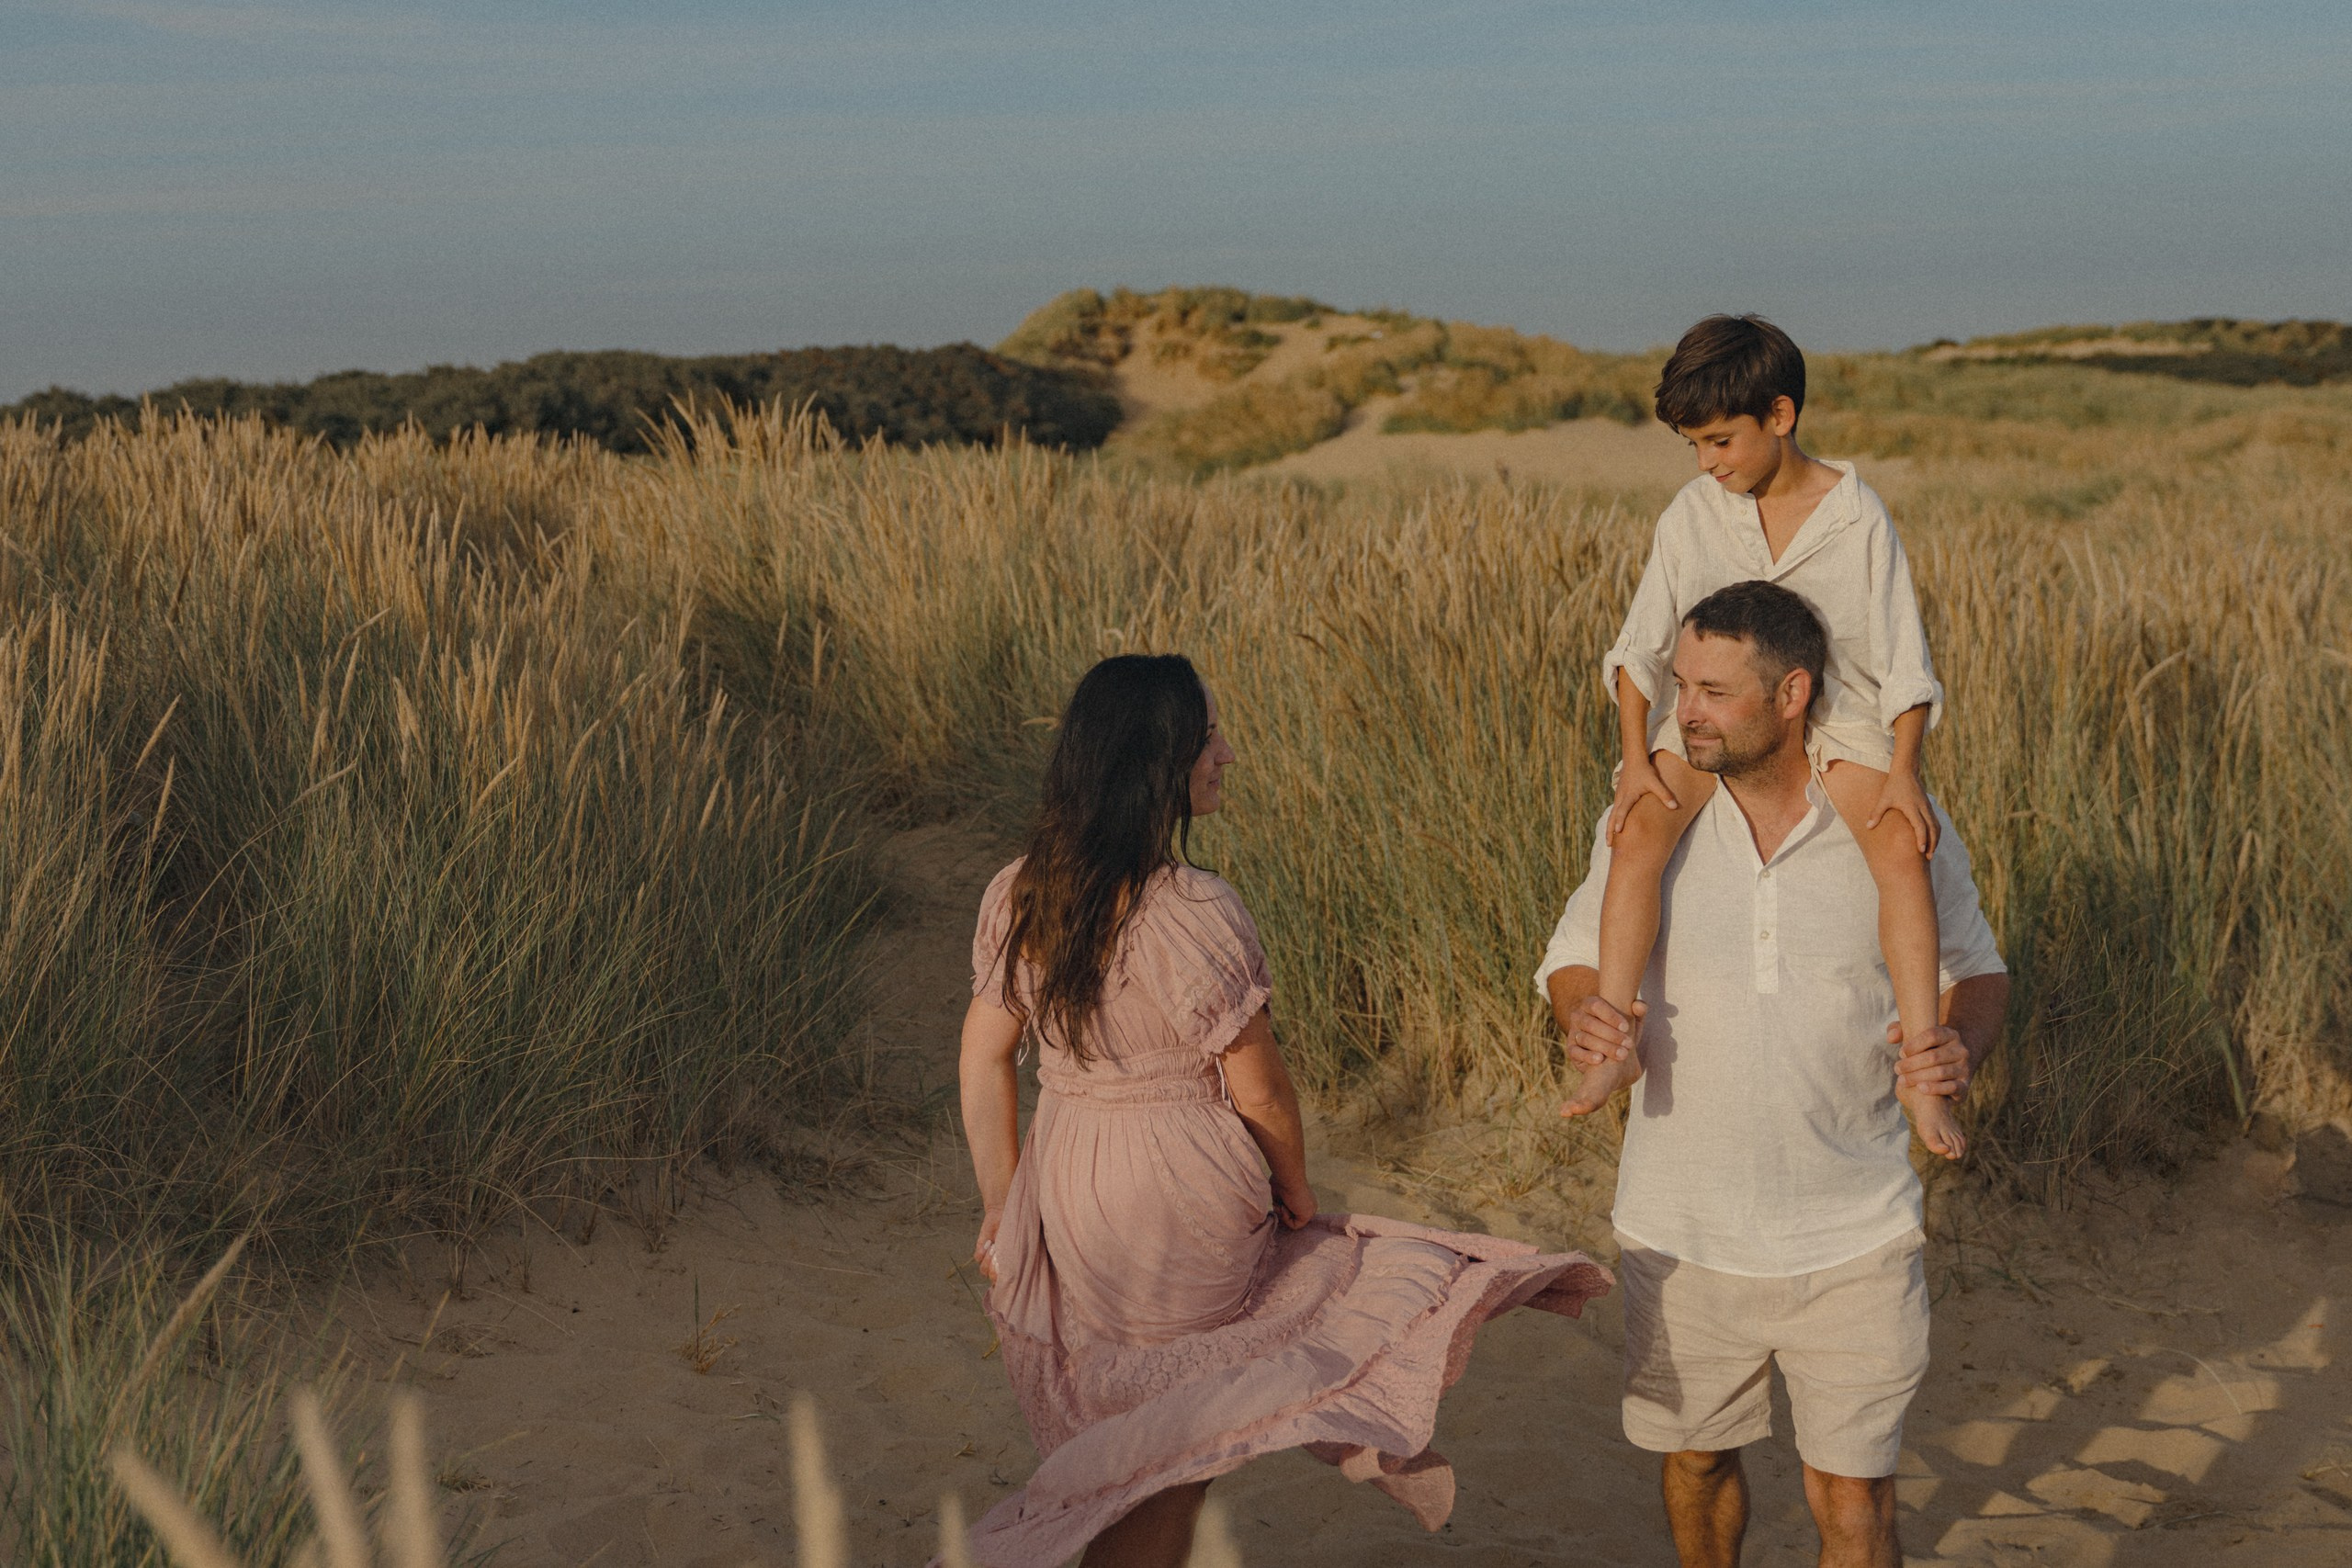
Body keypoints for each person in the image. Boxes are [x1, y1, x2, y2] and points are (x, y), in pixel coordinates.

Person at [955, 653, 1611, 1568]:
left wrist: (1002, 1200)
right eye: (1208, 738)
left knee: (1134, 1421)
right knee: (1179, 1441)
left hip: (1067, 1183)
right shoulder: (1193, 908)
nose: (1227, 754)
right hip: (1178, 1192)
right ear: (1158, 763)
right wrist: (1296, 1191)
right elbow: (1259, 1087)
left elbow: (983, 1055)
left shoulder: (1020, 892)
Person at [1540, 581, 2010, 1568]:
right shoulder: (1650, 813)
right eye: (1681, 686)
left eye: (1715, 692)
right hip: (1682, 1227)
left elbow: (1978, 972)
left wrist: (1959, 1045)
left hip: (1854, 1230)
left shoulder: (1892, 817)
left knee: (1854, 1490)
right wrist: (1586, 1014)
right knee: (1698, 1460)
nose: (1686, 712)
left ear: (1792, 694)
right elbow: (1572, 960)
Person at [1569, 314, 1964, 1161]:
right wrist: (1636, 759)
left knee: (1901, 849)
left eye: (1720, 441)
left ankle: (1922, 1078)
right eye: (1694, 447)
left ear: (1780, 416)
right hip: (1714, 719)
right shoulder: (1693, 513)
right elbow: (1639, 646)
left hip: (1840, 721)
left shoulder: (1857, 517)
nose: (1707, 464)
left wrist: (1903, 771)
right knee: (1636, 832)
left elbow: (1906, 662)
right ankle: (1613, 1049)